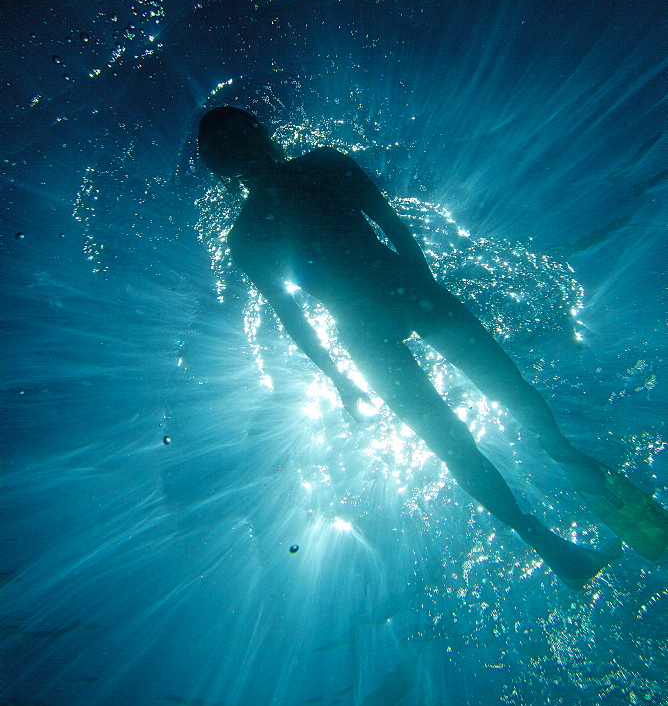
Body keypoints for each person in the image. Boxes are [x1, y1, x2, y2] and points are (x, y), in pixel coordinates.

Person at [197, 106, 668, 587]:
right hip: (401, 292)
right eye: (239, 142)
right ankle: (564, 475)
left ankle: (554, 543)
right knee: (496, 397)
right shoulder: (318, 169)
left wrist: (343, 378)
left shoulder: (251, 233)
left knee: (455, 437)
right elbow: (389, 229)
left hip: (369, 324)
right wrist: (422, 297)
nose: (247, 149)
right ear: (257, 138)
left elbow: (297, 318)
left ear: (222, 166)